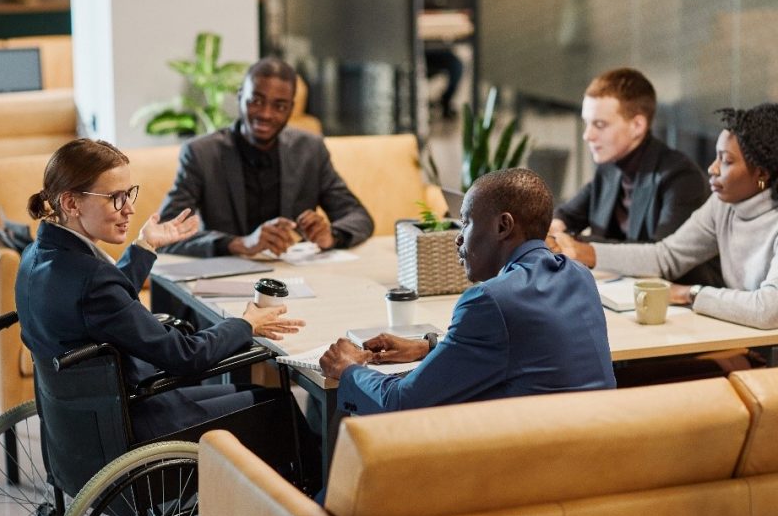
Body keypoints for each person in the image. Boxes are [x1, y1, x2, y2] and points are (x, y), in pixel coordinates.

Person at [15, 138, 308, 442]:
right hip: (138, 424)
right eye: (115, 197)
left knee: (257, 394)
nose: (129, 209)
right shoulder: (93, 281)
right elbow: (184, 356)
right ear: (71, 203)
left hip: (87, 423)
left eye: (129, 194)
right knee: (279, 405)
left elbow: (102, 304)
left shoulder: (37, 256)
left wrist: (146, 244)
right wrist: (246, 324)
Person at [319, 168, 616, 415]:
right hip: (592, 462)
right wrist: (429, 348)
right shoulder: (579, 275)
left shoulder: (490, 301)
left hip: (525, 472)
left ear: (503, 226)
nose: (458, 239)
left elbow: (402, 403)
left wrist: (349, 369)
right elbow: (524, 347)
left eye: (466, 222)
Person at [549, 103, 778, 331]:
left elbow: (768, 310)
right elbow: (665, 256)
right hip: (742, 335)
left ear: (762, 173)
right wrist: (583, 253)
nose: (712, 168)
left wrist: (691, 293)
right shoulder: (723, 205)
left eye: (726, 161)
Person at [157, 57, 374, 257]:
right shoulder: (201, 154)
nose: (266, 114)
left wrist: (331, 236)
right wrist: (238, 243)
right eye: (256, 101)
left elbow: (358, 217)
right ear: (241, 97)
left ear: (290, 109)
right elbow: (165, 233)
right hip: (226, 278)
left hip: (292, 278)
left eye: (279, 106)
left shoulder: (310, 150)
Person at [550, 67, 721, 285]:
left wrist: (578, 245)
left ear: (637, 125)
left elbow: (659, 259)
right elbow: (567, 214)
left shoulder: (681, 177)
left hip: (679, 303)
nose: (587, 135)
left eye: (599, 125)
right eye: (587, 123)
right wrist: (555, 228)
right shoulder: (609, 168)